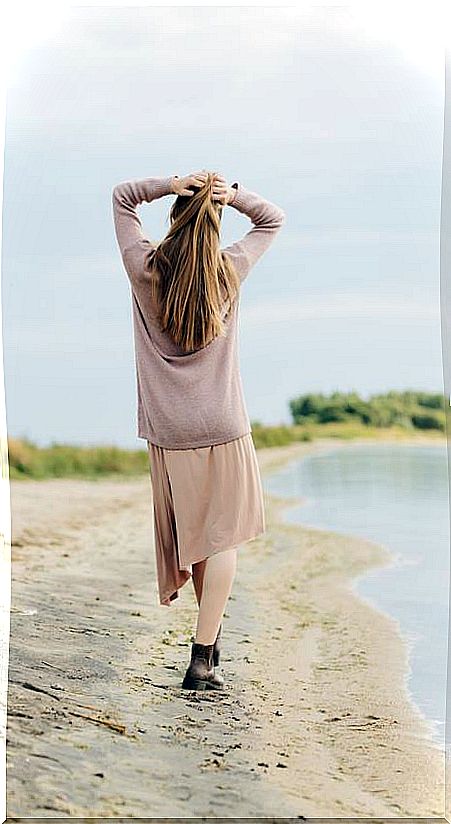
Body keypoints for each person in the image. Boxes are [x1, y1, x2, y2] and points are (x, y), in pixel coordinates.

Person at [111, 170, 285, 690]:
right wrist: (229, 195)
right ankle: (204, 652)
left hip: (169, 430)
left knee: (198, 537)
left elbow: (122, 198)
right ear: (214, 228)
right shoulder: (228, 270)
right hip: (223, 424)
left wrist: (171, 184)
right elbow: (272, 218)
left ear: (174, 218)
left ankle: (208, 647)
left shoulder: (144, 268)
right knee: (222, 536)